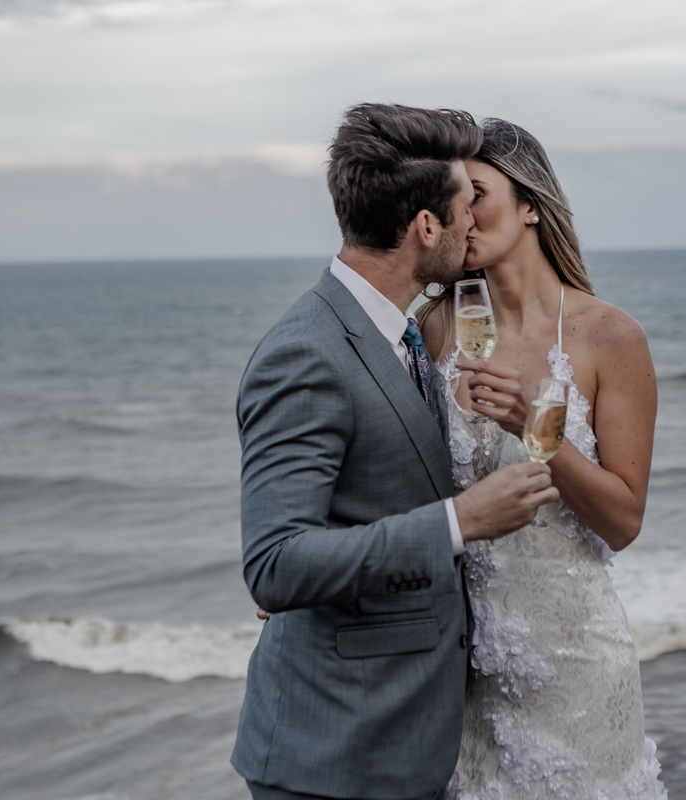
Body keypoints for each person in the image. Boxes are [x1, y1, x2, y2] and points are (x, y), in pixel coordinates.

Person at [231, 104, 559, 800]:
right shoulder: (305, 353)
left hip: (408, 741)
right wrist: (459, 521)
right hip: (335, 756)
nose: (474, 221)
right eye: (465, 205)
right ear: (426, 227)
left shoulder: (403, 333)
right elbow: (274, 564)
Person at [418, 118, 668, 798]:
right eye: (450, 202)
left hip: (577, 666)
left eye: (477, 195)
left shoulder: (609, 337)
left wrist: (535, 427)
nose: (462, 218)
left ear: (530, 204)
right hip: (461, 671)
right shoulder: (433, 327)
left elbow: (623, 520)